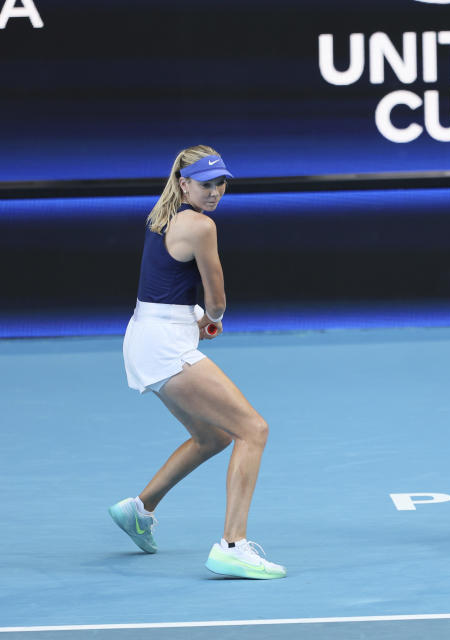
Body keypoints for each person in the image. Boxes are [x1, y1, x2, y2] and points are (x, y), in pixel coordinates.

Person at [109, 145, 286, 578]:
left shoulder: (160, 216)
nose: (215, 192)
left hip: (145, 335)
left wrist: (196, 319)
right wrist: (212, 319)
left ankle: (139, 508)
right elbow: (217, 297)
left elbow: (163, 287)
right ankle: (232, 545)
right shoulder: (202, 226)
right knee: (253, 429)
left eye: (220, 183)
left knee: (214, 437)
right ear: (184, 183)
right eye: (205, 184)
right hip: (165, 343)